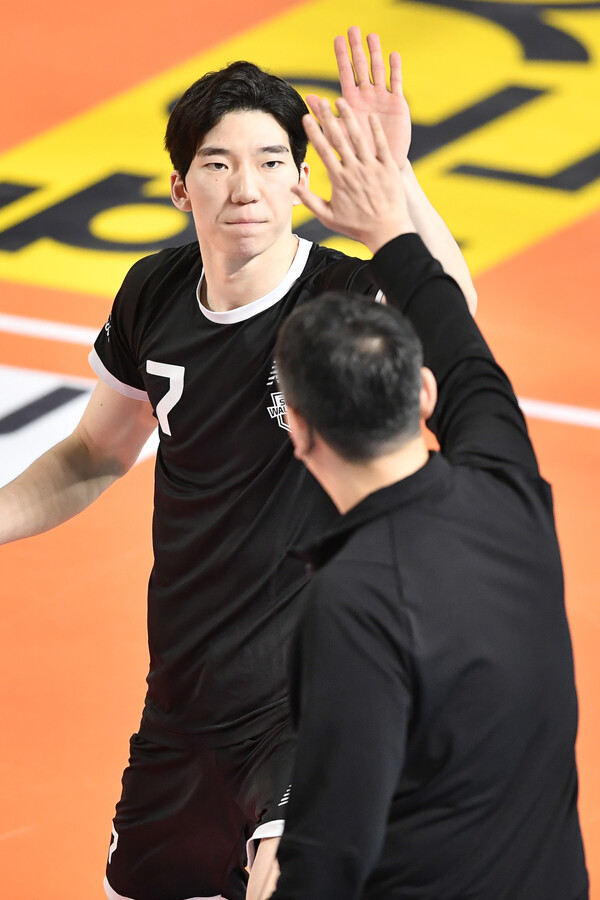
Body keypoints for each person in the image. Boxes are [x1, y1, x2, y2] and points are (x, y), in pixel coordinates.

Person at [0, 29, 477, 900]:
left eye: (269, 160)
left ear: (301, 176)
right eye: (218, 164)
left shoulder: (339, 296)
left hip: (315, 692)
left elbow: (455, 319)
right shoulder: (152, 294)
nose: (245, 187)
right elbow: (93, 451)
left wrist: (394, 175)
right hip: (182, 703)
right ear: (181, 186)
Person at [267, 98, 589, 900]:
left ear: (299, 431)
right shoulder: (509, 486)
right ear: (421, 396)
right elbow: (455, 331)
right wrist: (388, 215)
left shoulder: (352, 600)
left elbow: (330, 852)